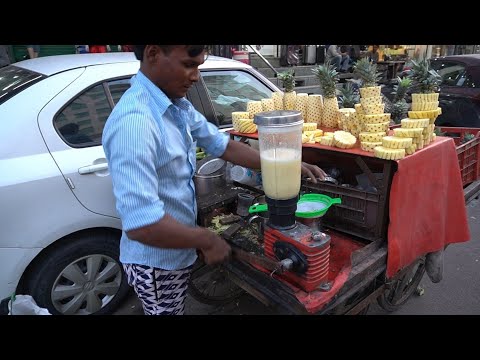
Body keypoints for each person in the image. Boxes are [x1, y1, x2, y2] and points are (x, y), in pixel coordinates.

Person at [102, 45, 326, 315]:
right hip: (157, 262)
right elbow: (142, 224)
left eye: (197, 66)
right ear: (152, 54)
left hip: (178, 250)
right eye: (188, 65)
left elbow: (223, 146)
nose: (195, 76)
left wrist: (288, 164)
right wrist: (206, 240)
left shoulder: (176, 106)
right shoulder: (135, 122)